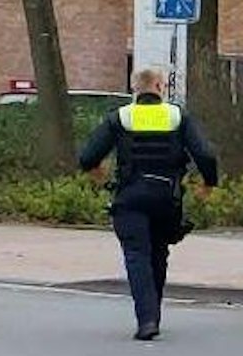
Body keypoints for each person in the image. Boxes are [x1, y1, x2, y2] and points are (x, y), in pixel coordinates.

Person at [78, 68, 219, 341]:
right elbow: (205, 154)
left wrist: (97, 173)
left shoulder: (121, 117)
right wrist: (208, 183)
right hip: (167, 198)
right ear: (158, 86)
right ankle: (153, 314)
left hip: (130, 197)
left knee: (137, 256)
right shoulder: (177, 116)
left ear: (135, 89)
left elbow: (87, 155)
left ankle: (147, 319)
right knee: (158, 253)